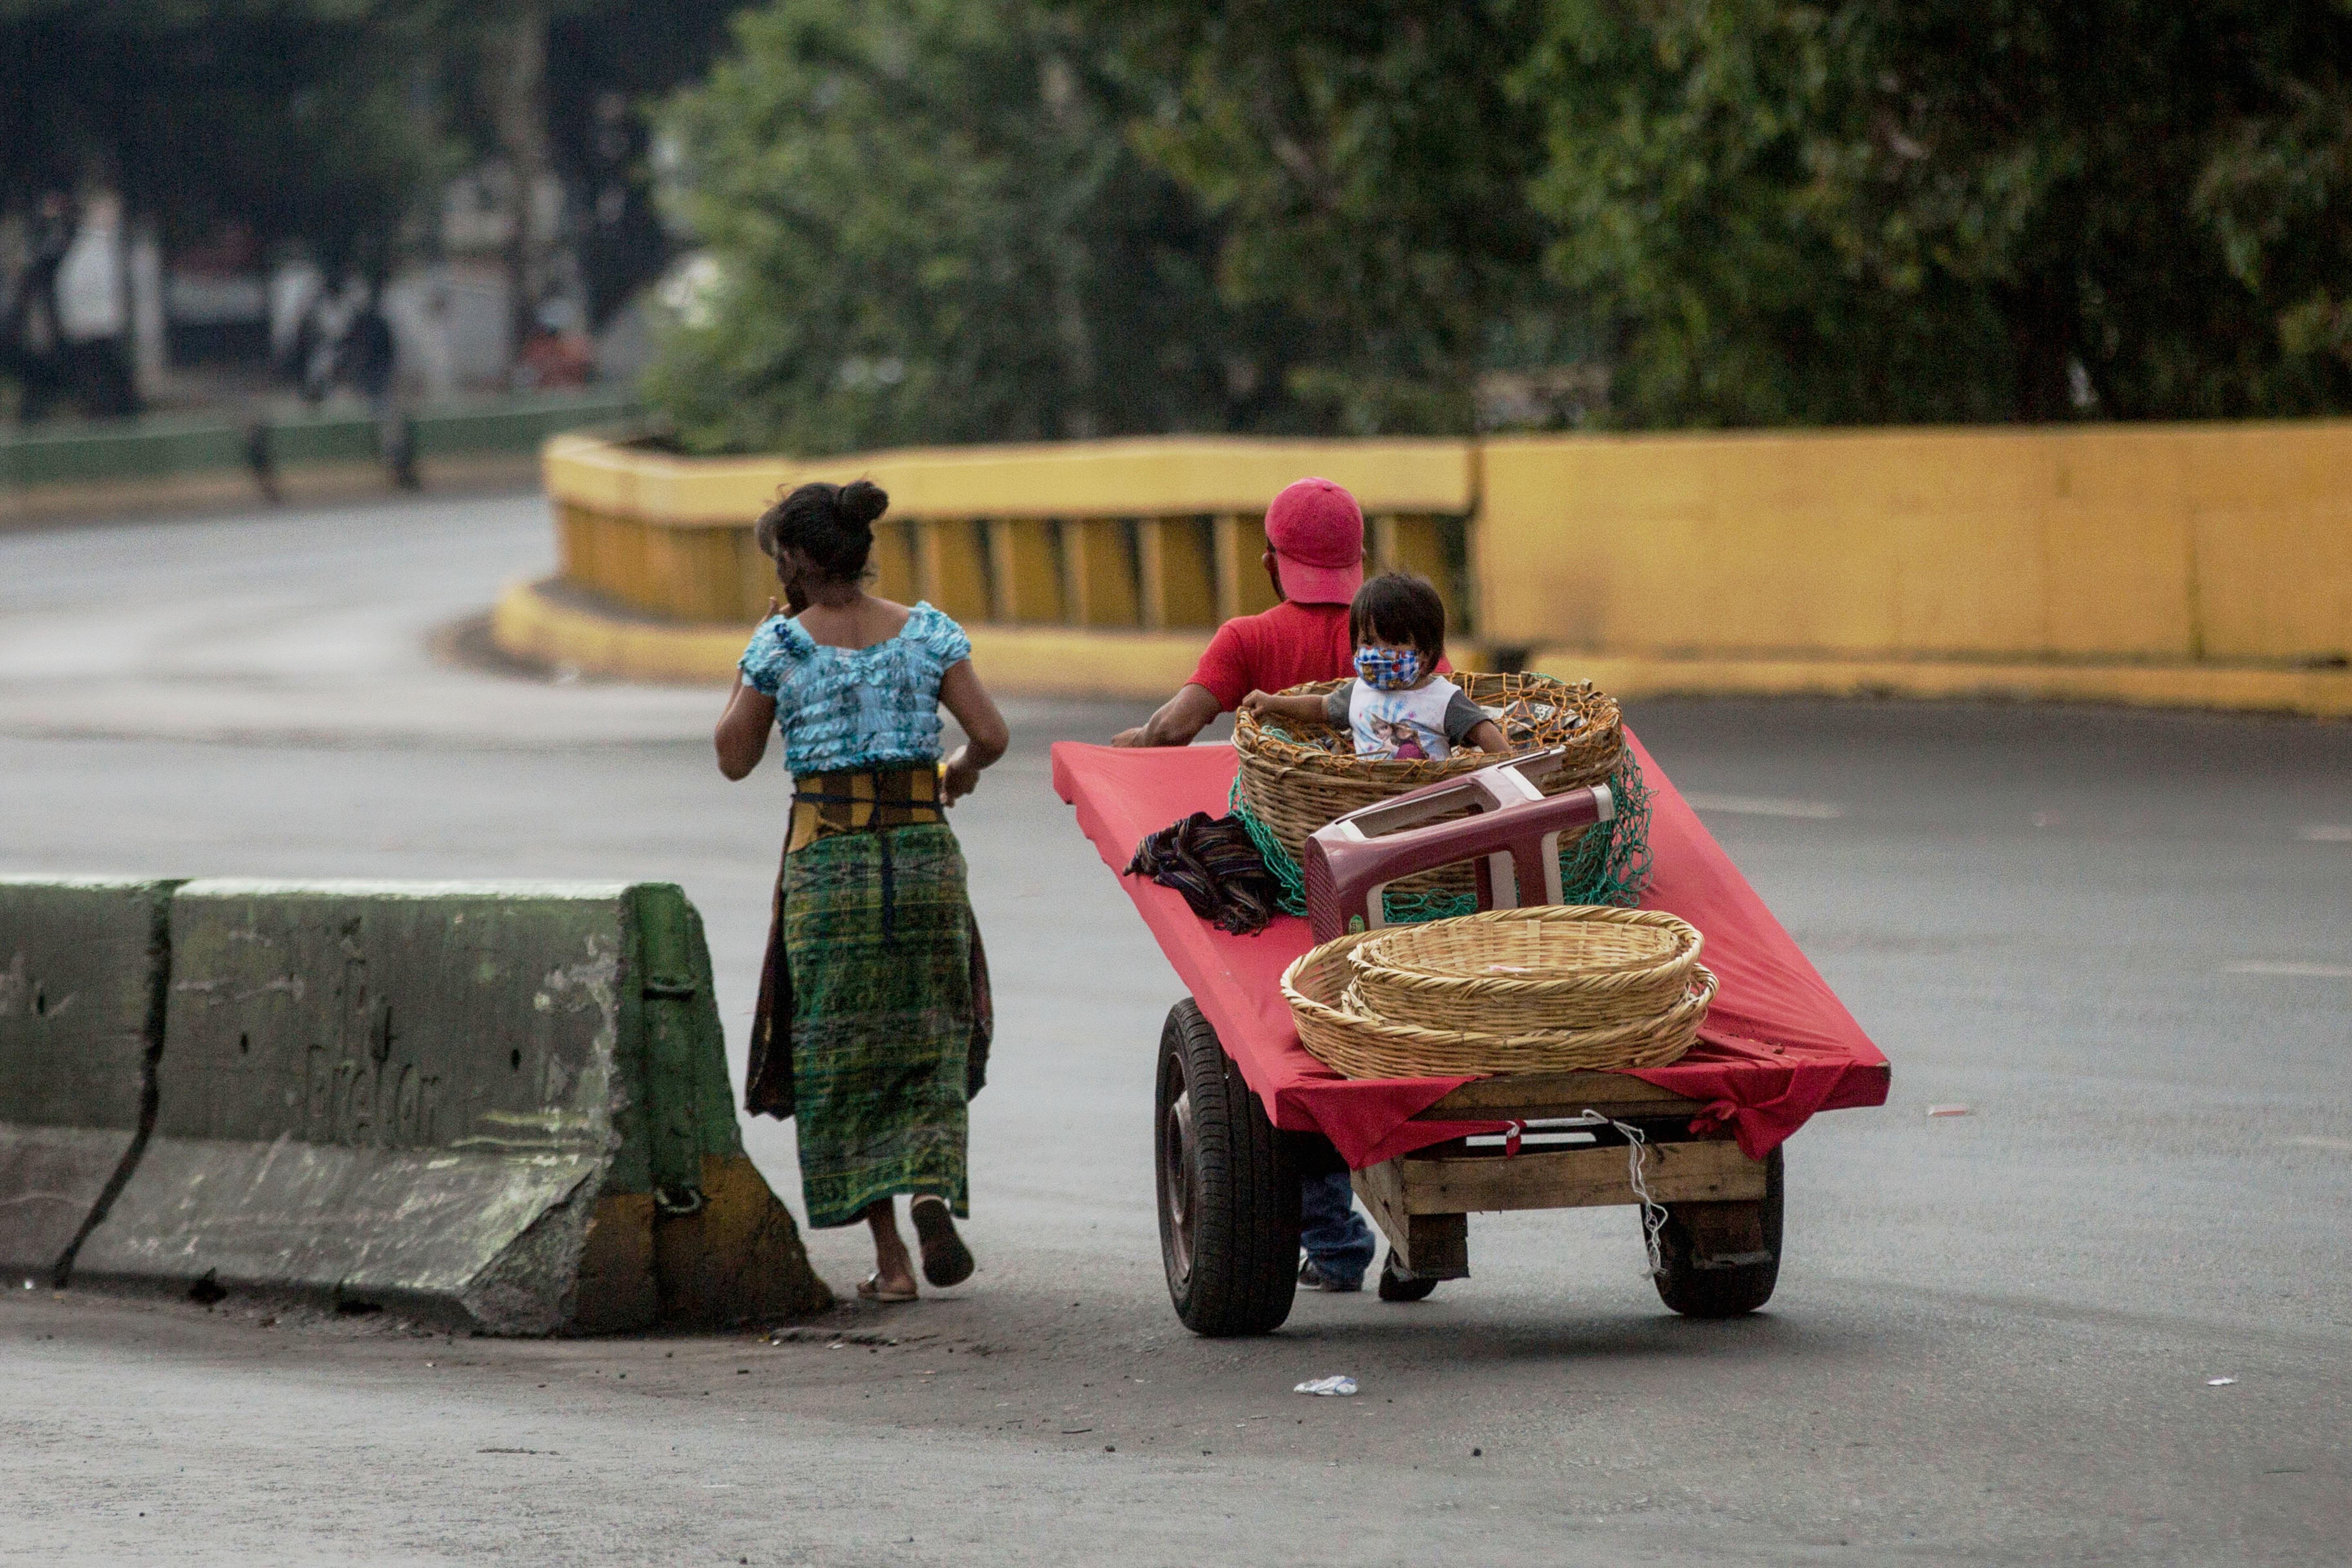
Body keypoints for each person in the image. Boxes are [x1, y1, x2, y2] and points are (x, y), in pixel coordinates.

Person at [716, 478, 1010, 1304]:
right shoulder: (926, 634)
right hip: (922, 860)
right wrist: (957, 772)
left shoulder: (782, 647)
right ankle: (930, 1193)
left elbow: (734, 757)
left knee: (842, 1054)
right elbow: (990, 736)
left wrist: (753, 660)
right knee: (926, 1035)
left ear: (793, 559)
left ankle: (891, 1265)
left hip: (831, 870)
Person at [1111, 475, 1399, 1294]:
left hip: (1285, 881)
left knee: (1287, 1044)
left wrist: (1117, 751)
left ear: (1272, 563)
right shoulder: (1398, 636)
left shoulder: (1247, 640)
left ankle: (1338, 1243)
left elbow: (1172, 729)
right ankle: (1418, 1230)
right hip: (1399, 873)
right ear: (1360, 562)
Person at [1240, 572, 1505, 762]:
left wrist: (1512, 773)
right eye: (1368, 642)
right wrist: (1273, 703)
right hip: (1370, 800)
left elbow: (1484, 732)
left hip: (1429, 807)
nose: (1379, 653)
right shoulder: (1357, 692)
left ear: (1425, 654)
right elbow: (1320, 708)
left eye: (1395, 643)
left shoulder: (1444, 698)